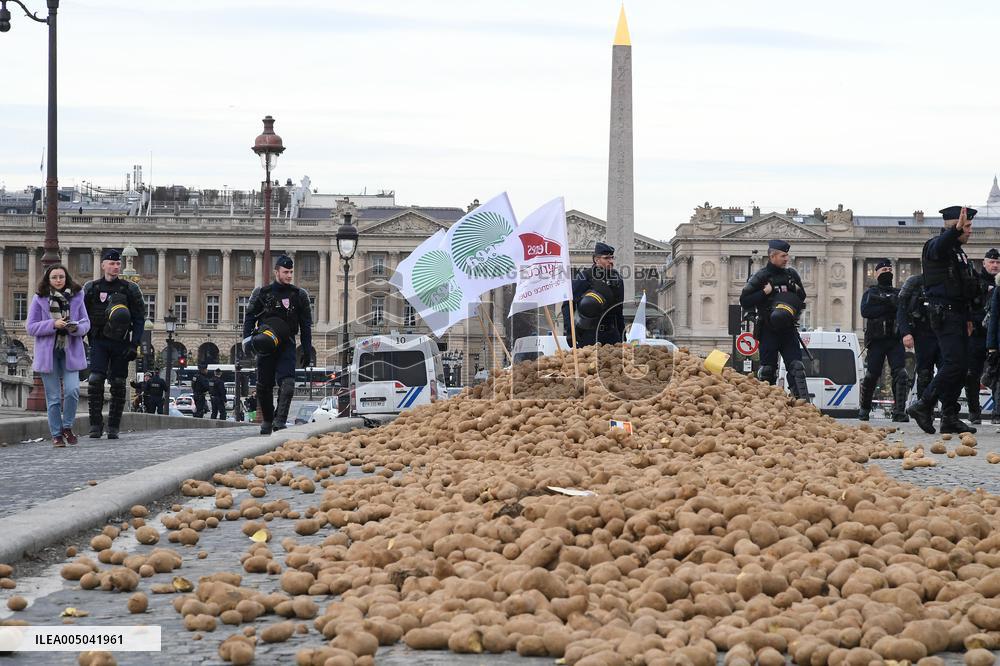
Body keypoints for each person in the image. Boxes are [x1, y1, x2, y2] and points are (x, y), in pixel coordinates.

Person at [907, 206, 980, 434]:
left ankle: (949, 416)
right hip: (944, 314)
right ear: (955, 226)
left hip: (959, 314)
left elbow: (963, 287)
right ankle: (923, 404)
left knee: (961, 367)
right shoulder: (935, 247)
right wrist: (954, 231)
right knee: (953, 364)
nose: (970, 231)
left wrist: (969, 317)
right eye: (967, 226)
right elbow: (941, 245)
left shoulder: (959, 252)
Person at [242, 255, 313, 435]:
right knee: (263, 386)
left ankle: (280, 420)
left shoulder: (299, 295)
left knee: (288, 383)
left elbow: (306, 325)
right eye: (285, 272)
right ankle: (267, 420)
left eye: (291, 272)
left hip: (287, 344)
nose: (289, 275)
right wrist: (247, 341)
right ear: (277, 272)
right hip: (265, 344)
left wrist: (307, 349)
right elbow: (249, 318)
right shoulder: (262, 293)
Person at [26, 263, 91, 447]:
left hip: (70, 351)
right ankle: (56, 435)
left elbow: (86, 323)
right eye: (54, 277)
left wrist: (76, 327)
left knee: (73, 390)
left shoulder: (77, 297)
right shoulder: (39, 298)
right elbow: (30, 327)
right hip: (49, 354)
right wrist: (52, 325)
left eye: (61, 277)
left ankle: (67, 427)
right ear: (48, 279)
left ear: (66, 278)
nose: (58, 280)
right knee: (53, 397)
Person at [83, 249, 144, 439]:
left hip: (120, 342)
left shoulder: (130, 289)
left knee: (118, 383)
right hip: (99, 340)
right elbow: (82, 314)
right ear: (103, 265)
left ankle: (113, 426)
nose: (116, 267)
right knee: (95, 380)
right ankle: (95, 424)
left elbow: (139, 318)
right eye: (112, 263)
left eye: (118, 263)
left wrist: (134, 344)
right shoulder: (91, 288)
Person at [739, 239, 810, 400]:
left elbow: (802, 297)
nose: (786, 259)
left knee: (797, 368)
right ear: (772, 256)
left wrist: (794, 289)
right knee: (767, 371)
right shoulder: (761, 276)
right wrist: (764, 292)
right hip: (768, 330)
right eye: (783, 256)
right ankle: (767, 406)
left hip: (788, 329)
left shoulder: (791, 275)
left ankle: (802, 405)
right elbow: (745, 300)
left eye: (787, 256)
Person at [858, 259, 908, 422]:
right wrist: (888, 305)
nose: (887, 272)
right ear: (877, 273)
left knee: (901, 374)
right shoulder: (870, 293)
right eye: (884, 270)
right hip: (877, 340)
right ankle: (864, 409)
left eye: (889, 270)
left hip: (894, 339)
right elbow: (866, 311)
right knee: (872, 375)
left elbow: (903, 312)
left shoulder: (898, 293)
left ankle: (899, 411)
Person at [561, 242, 625, 347]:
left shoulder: (617, 279)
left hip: (612, 335)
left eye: (612, 258)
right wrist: (570, 332)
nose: (611, 261)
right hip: (589, 335)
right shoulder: (585, 277)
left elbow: (619, 310)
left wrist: (622, 335)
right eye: (606, 258)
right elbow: (568, 304)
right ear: (596, 260)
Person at [962, 248, 1000, 423]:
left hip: (995, 336)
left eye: (998, 262)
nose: (995, 265)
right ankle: (974, 411)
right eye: (992, 262)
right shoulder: (975, 282)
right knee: (972, 374)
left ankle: (997, 413)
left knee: (997, 374)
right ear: (984, 263)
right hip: (977, 335)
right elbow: (966, 304)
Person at [897, 273, 940, 407]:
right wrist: (906, 332)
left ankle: (948, 410)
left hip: (944, 333)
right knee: (924, 374)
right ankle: (925, 409)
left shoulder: (949, 281)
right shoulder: (914, 282)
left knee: (948, 371)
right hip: (923, 333)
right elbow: (902, 309)